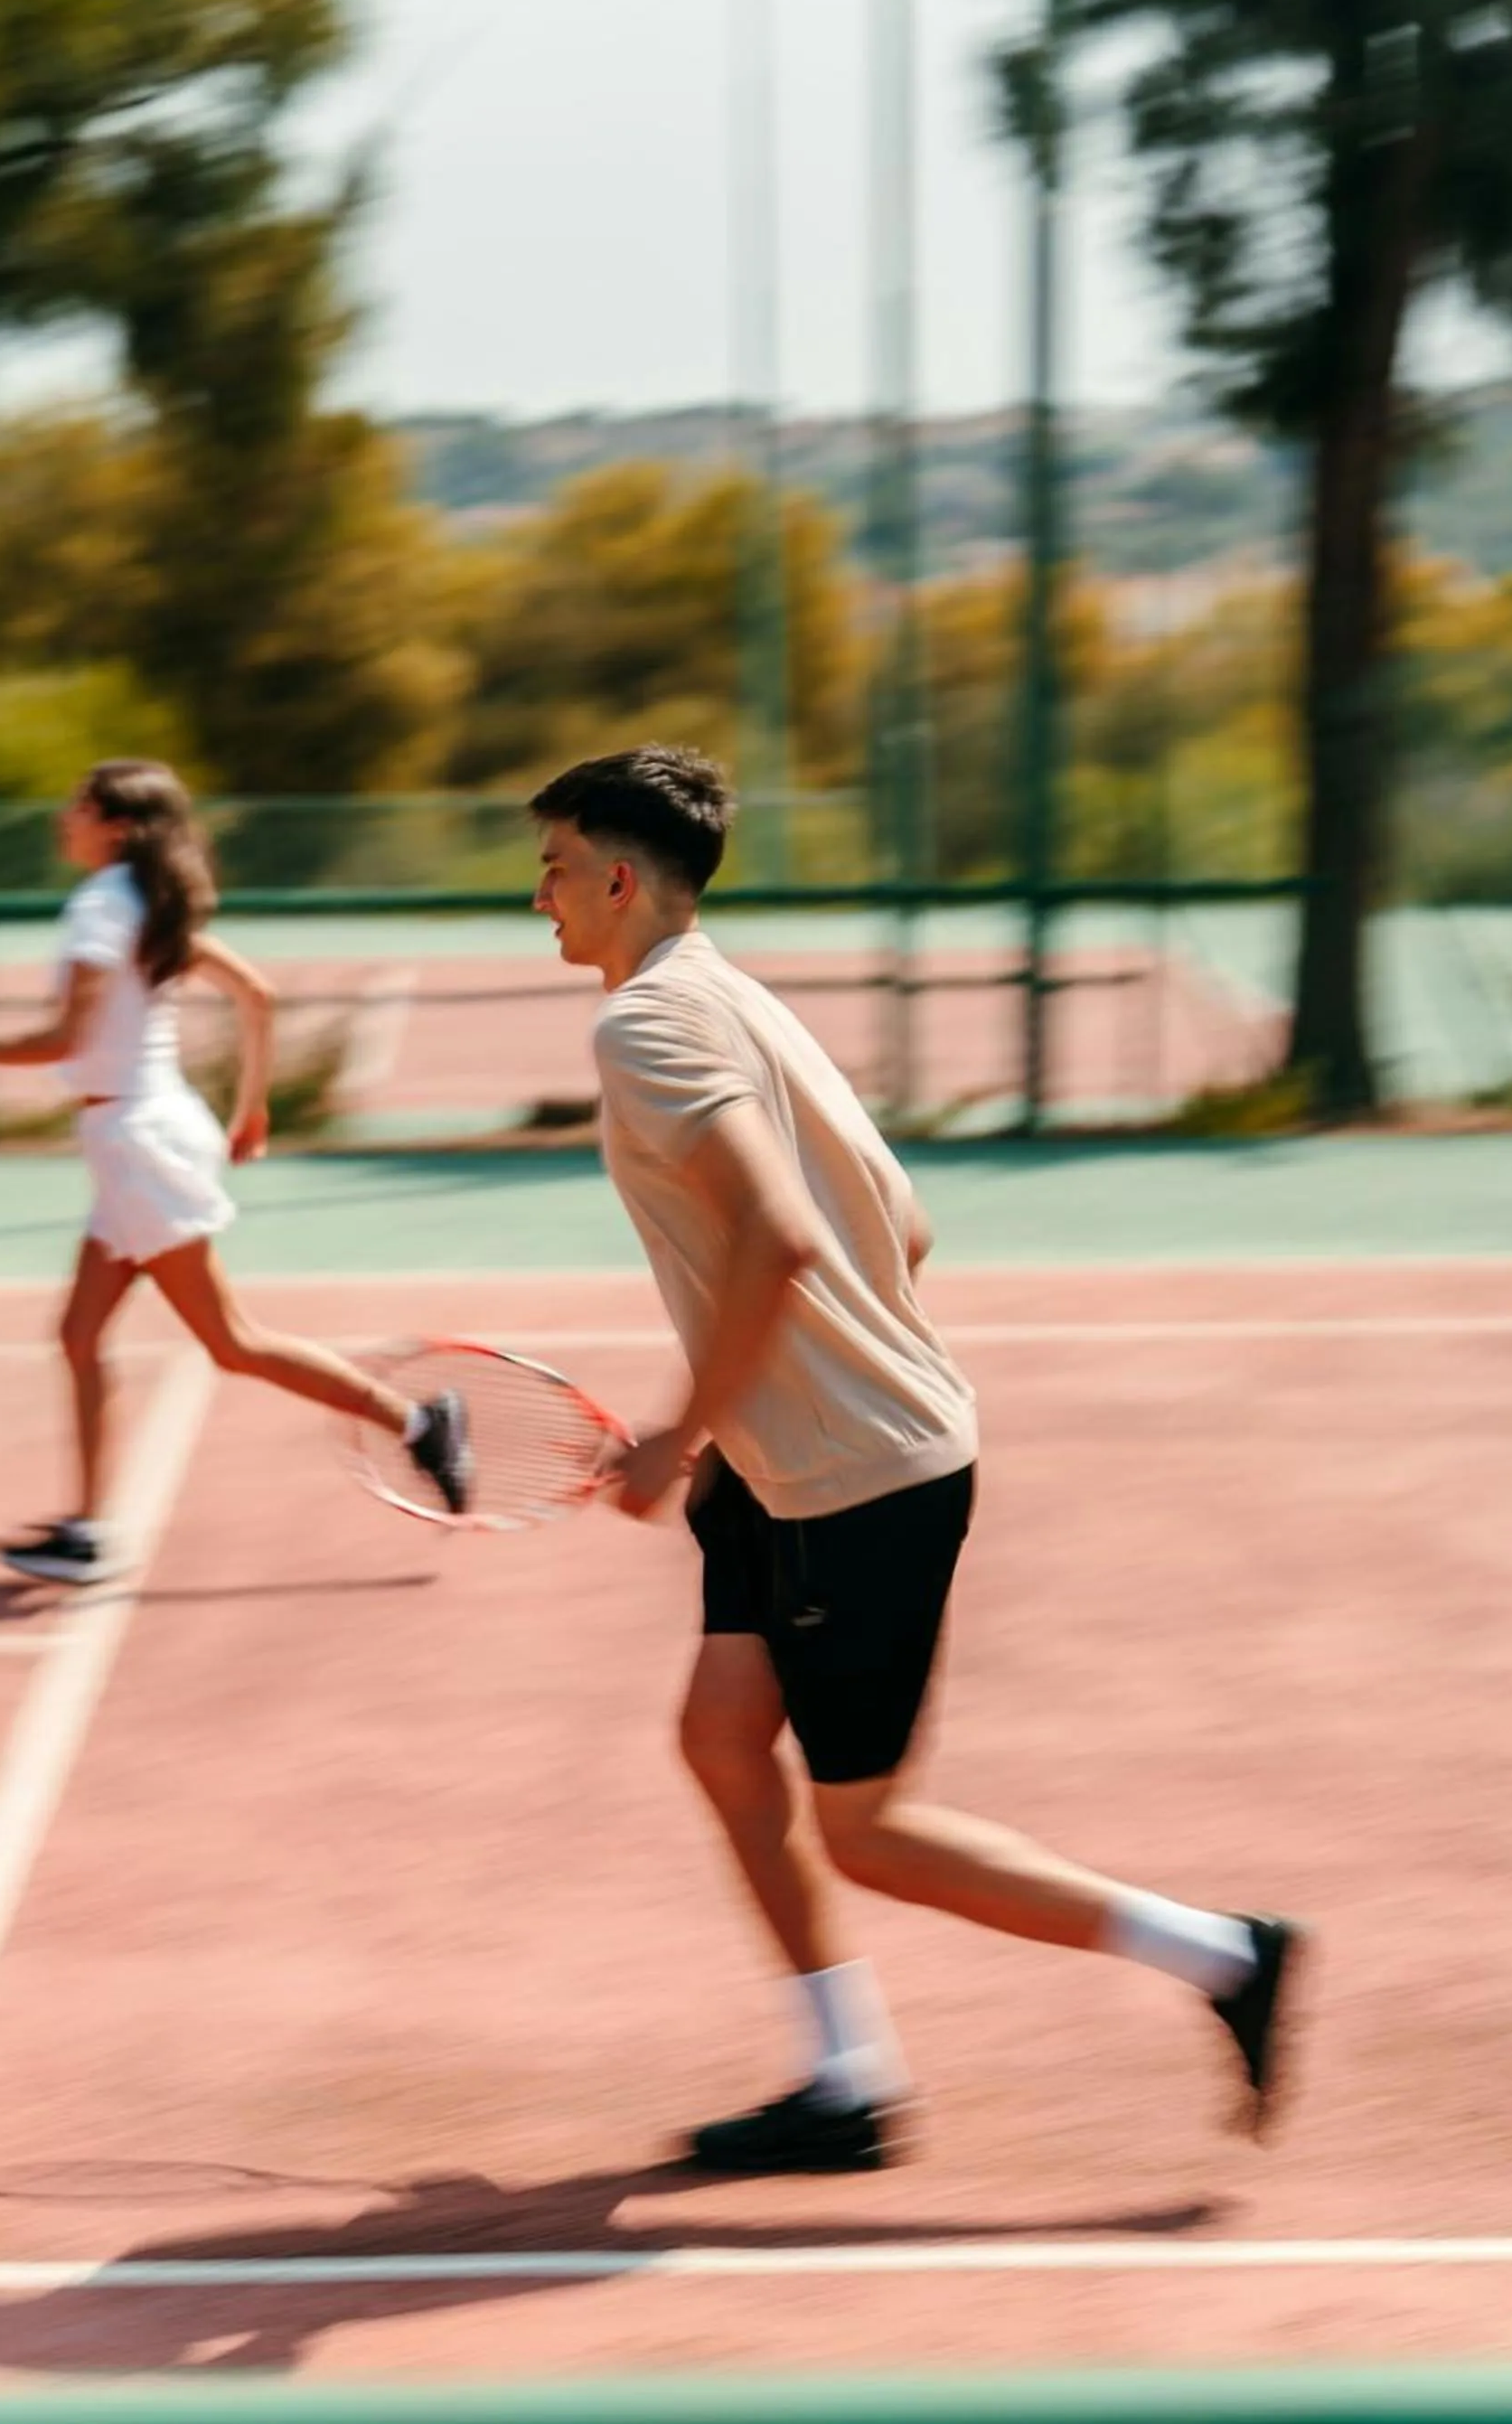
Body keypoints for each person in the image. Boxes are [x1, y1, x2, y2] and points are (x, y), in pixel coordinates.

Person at [529, 742, 1301, 2175]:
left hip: (849, 1481)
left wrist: (678, 1433)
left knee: (870, 1831)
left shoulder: (645, 1027)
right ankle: (849, 2080)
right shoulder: (733, 995)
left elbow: (782, 1236)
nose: (543, 901)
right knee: (717, 1741)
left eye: (557, 870)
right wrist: (764, 1421)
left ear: (621, 879)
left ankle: (1224, 1957)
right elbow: (907, 1224)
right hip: (794, 1465)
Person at [0, 758, 471, 1581]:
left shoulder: (103, 906)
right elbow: (257, 995)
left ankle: (417, 1424)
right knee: (78, 1337)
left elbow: (68, 1039)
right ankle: (86, 1527)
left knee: (232, 1342)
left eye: (77, 806)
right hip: (144, 1135)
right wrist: (252, 1108)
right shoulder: (151, 898)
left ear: (114, 825)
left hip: (137, 1143)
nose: (61, 817)